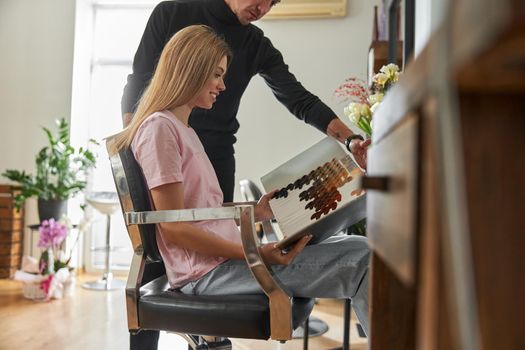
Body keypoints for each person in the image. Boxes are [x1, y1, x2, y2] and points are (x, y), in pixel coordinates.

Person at [113, 25, 370, 350]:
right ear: (192, 70)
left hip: (220, 265)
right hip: (206, 276)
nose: (223, 85)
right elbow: (173, 227)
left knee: (361, 246)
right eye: (217, 74)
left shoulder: (182, 129)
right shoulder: (160, 130)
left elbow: (197, 212)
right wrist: (254, 253)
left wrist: (255, 212)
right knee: (365, 261)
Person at [121, 0, 371, 203]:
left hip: (216, 155)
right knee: (163, 242)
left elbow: (300, 99)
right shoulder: (171, 13)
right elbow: (139, 81)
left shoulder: (256, 45)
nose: (262, 8)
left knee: (217, 241)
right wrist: (135, 149)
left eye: (272, 3)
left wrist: (351, 140)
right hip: (161, 144)